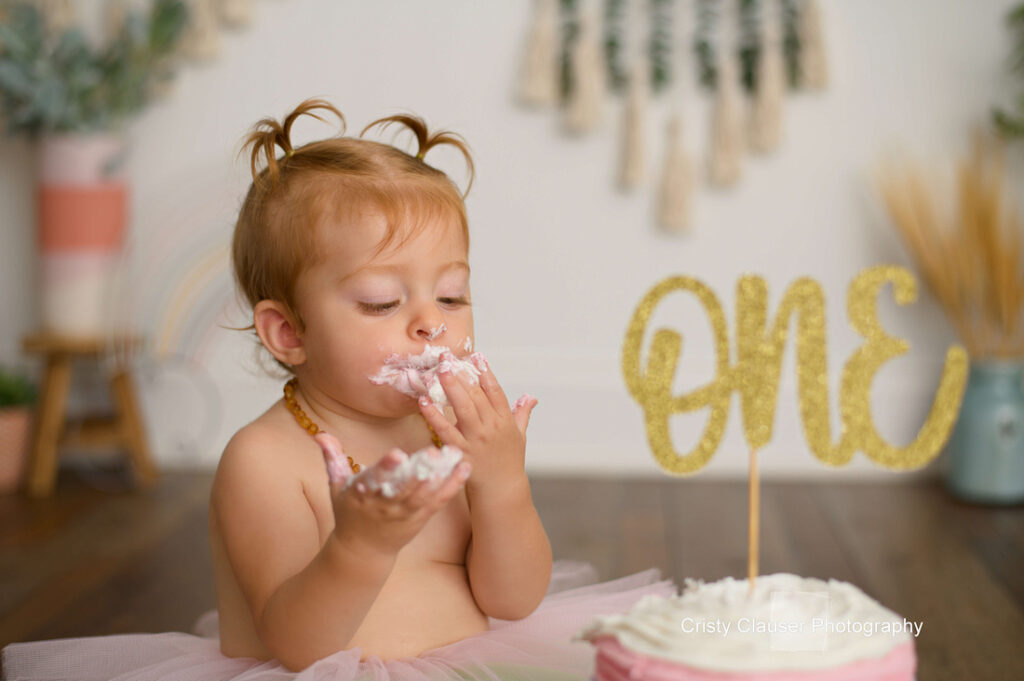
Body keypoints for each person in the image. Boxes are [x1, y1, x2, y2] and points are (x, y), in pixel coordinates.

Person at [1, 98, 677, 681]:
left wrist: (503, 483)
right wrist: (359, 544)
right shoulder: (265, 460)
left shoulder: (446, 435)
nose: (430, 321)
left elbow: (515, 597)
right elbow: (300, 645)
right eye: (383, 301)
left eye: (452, 293)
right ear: (289, 333)